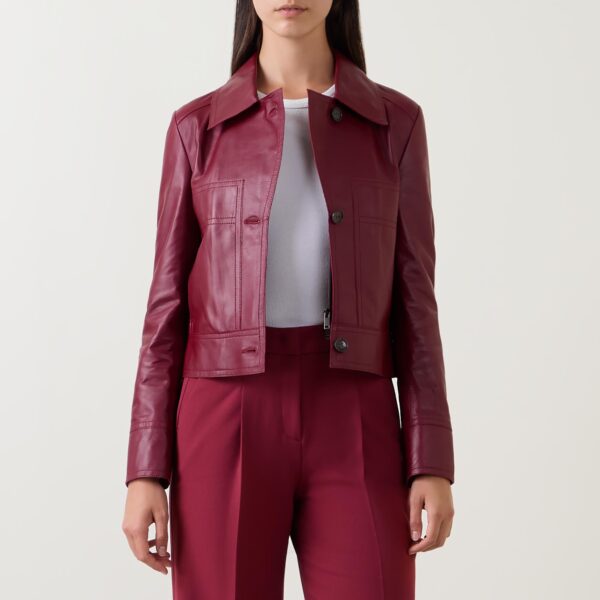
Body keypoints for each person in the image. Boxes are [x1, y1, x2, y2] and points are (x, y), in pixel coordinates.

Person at [122, 1, 455, 598]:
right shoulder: (196, 129)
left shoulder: (395, 125)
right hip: (224, 413)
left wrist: (430, 458)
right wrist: (145, 469)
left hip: (355, 409)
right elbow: (165, 309)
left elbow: (416, 302)